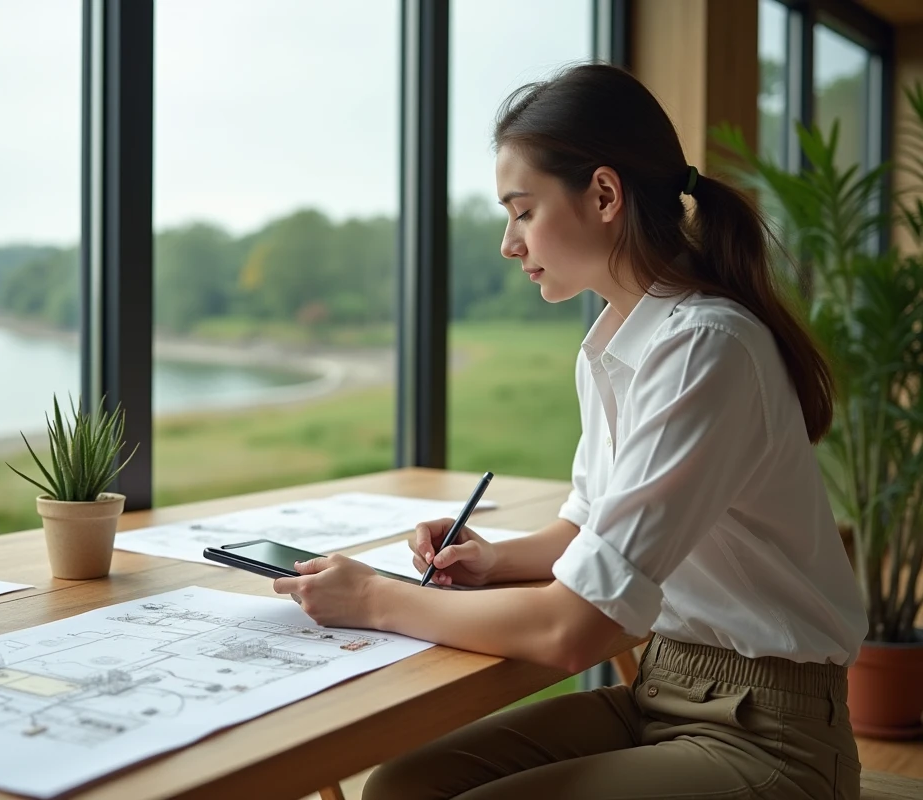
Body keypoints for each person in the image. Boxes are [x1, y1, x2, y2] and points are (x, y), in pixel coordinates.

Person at [271, 63, 868, 799]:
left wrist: (372, 599)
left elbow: (572, 631)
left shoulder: (705, 348)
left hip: (771, 736)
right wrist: (493, 561)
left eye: (522, 212)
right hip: (664, 690)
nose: (508, 242)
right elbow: (587, 531)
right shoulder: (614, 346)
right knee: (399, 787)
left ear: (605, 195)